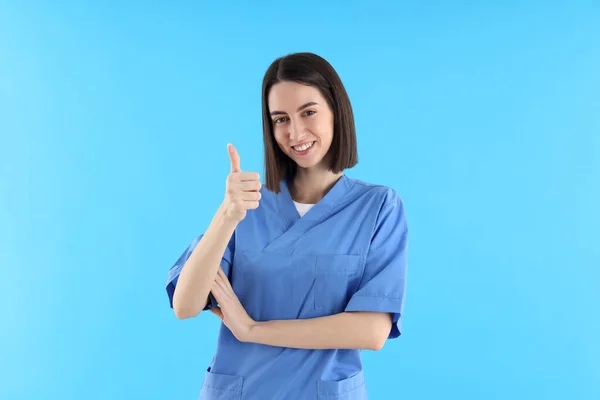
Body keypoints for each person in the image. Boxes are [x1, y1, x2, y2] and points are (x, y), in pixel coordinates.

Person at [165, 52, 409, 399]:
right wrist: (226, 216)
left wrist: (252, 330)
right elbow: (186, 305)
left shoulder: (378, 207)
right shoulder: (247, 206)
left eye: (308, 112)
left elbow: (372, 330)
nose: (295, 132)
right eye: (280, 119)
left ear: (336, 111)